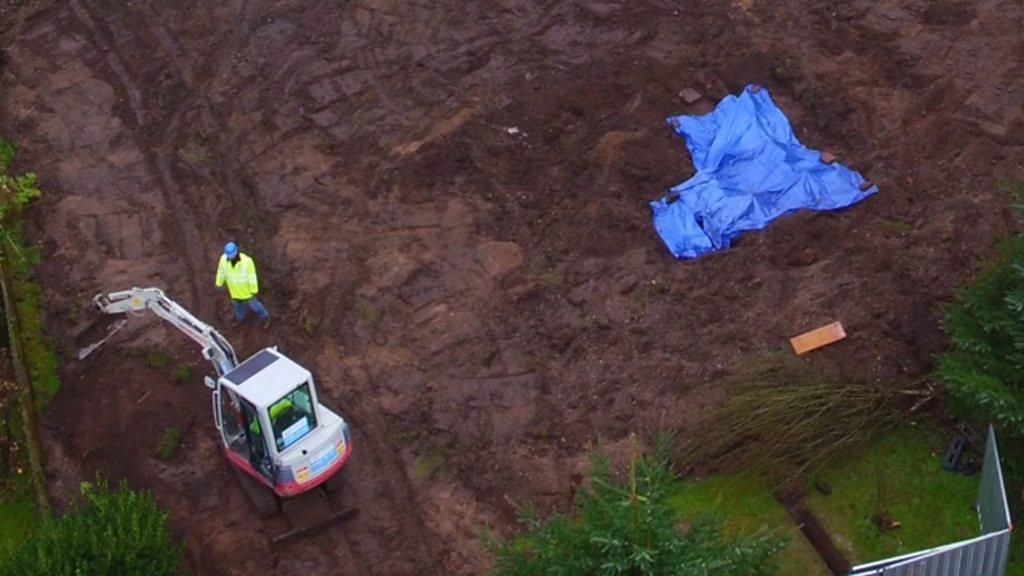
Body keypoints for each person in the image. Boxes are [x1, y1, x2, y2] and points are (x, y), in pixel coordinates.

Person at [215, 242, 270, 329]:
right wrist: (218, 283)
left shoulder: (247, 262)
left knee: (255, 306)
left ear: (236, 251)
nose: (230, 256)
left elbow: (252, 277)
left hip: (247, 291)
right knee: (237, 306)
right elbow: (221, 272)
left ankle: (264, 316)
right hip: (234, 290)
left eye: (232, 254)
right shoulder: (223, 260)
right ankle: (240, 318)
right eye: (228, 255)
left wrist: (253, 290)